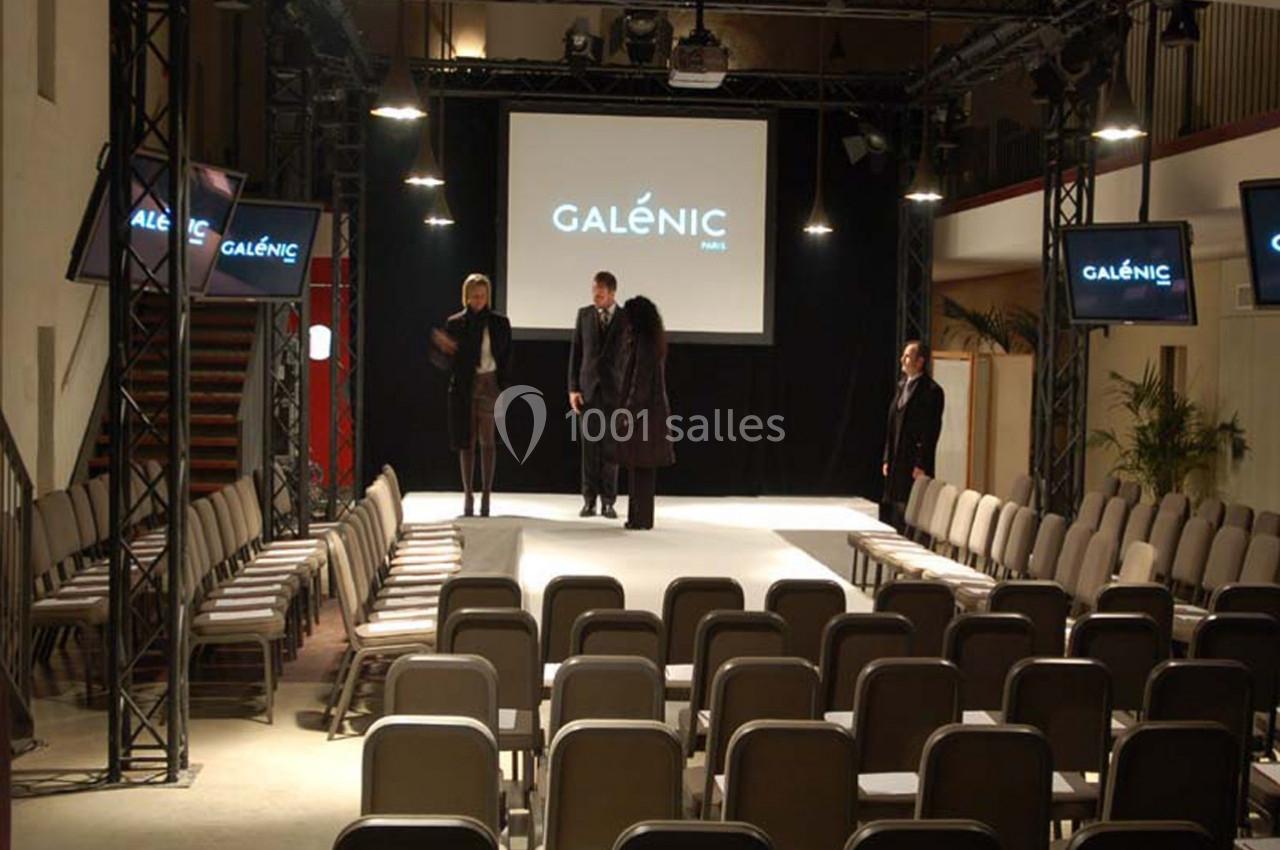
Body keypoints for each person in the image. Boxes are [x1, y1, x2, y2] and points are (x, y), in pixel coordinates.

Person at [430, 273, 512, 518]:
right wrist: (445, 350)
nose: (479, 300)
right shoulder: (456, 323)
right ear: (466, 297)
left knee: (488, 441)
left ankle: (486, 495)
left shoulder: (499, 322)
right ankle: (468, 495)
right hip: (465, 386)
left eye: (483, 296)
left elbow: (507, 355)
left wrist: (503, 385)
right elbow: (445, 362)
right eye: (475, 296)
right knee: (467, 441)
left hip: (490, 384)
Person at [567, 271, 628, 518]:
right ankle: (589, 500)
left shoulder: (626, 319)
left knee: (611, 448)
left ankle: (609, 501)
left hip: (615, 392)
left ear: (612, 292)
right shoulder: (584, 315)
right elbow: (576, 353)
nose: (595, 296)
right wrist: (573, 388)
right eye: (593, 291)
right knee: (589, 449)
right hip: (588, 390)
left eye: (600, 293)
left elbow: (630, 358)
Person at [617, 295, 674, 530]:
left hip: (644, 413)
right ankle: (640, 517)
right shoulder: (652, 340)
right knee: (641, 467)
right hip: (650, 411)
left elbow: (639, 381)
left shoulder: (644, 343)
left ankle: (640, 518)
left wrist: (628, 411)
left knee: (640, 466)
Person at [881, 340, 944, 532]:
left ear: (920, 362)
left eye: (907, 356)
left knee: (913, 512)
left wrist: (921, 464)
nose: (902, 359)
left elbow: (931, 431)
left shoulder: (932, 391)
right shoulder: (902, 386)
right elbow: (892, 425)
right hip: (897, 460)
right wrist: (887, 457)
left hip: (914, 463)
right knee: (895, 511)